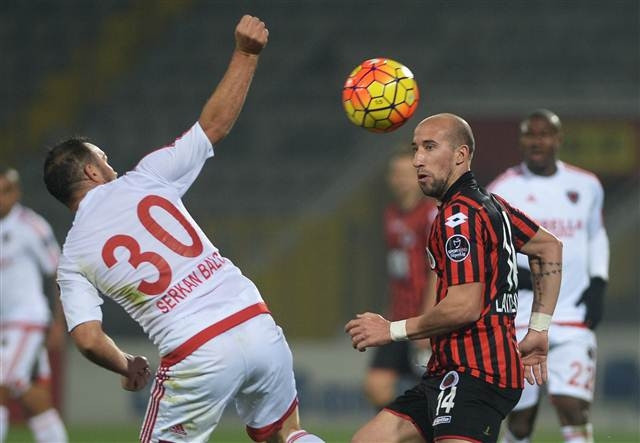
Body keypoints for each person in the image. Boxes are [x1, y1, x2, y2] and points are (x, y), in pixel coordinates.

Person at [42, 16, 321, 443]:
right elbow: (214, 126)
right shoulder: (147, 177)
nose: (111, 164)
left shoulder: (74, 257)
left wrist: (126, 364)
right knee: (287, 433)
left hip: (195, 349)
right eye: (104, 159)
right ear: (91, 171)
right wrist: (246, 54)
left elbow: (88, 339)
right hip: (254, 319)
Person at [345, 113, 564, 443]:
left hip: (478, 373)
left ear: (461, 155)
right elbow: (549, 247)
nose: (418, 160)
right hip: (448, 371)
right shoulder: (489, 204)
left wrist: (390, 330)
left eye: (430, 147)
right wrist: (539, 328)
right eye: (416, 148)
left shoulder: (458, 216)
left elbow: (464, 306)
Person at [488, 109, 609, 443]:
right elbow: (489, 249)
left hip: (573, 315)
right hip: (522, 317)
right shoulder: (502, 189)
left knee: (574, 407)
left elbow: (596, 235)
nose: (536, 141)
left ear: (558, 139)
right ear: (520, 141)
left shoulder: (587, 185)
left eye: (544, 134)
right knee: (521, 419)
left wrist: (599, 282)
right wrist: (515, 274)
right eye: (530, 134)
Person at [364, 148, 437, 408]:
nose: (399, 180)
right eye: (395, 174)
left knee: (433, 394)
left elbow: (437, 273)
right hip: (397, 318)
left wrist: (427, 322)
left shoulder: (431, 215)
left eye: (406, 174)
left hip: (423, 321)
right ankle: (401, 427)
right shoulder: (391, 214)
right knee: (376, 385)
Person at [0, 167, 68, 443]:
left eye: (5, 191)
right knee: (34, 396)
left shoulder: (31, 226)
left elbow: (59, 273)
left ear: (16, 192)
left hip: (27, 320)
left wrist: (59, 322)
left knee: (2, 384)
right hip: (5, 323)